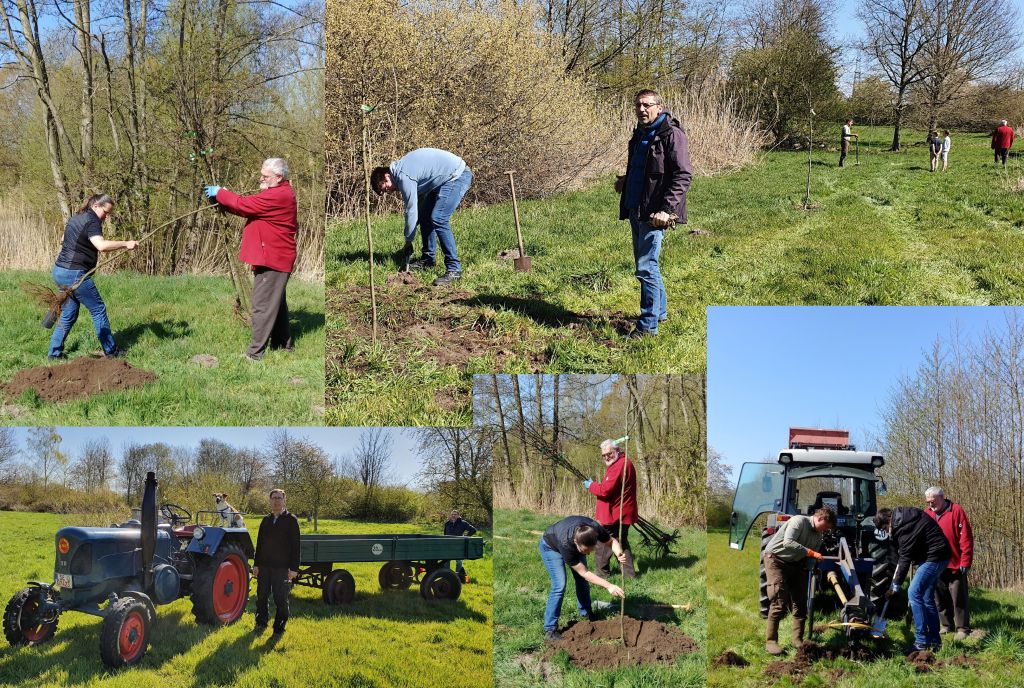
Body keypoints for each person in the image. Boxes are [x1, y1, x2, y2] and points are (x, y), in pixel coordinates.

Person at [615, 89, 692, 339]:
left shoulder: (671, 134)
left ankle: (647, 327)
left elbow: (682, 175)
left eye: (647, 105)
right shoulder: (640, 133)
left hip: (655, 212)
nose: (641, 109)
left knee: (646, 267)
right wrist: (626, 182)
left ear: (659, 107)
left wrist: (667, 209)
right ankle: (659, 312)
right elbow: (645, 169)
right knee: (648, 266)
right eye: (638, 105)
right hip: (636, 207)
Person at [205, 157, 297, 361]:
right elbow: (244, 208)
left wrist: (221, 193)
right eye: (261, 174)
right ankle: (283, 345)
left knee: (262, 305)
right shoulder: (276, 192)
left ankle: (255, 354)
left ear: (279, 177)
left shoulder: (278, 196)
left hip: (274, 259)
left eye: (266, 176)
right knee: (276, 302)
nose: (261, 178)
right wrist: (222, 198)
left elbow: (244, 204)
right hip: (275, 257)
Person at [48, 194, 138, 360]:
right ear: (96, 206)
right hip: (75, 274)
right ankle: (111, 352)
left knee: (69, 313)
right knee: (98, 309)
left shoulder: (77, 218)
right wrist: (126, 243)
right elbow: (101, 246)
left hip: (59, 271)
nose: (106, 217)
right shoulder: (92, 221)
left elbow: (63, 240)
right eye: (106, 212)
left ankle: (54, 354)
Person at [370, 148, 473, 287]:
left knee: (439, 218)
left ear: (387, 176)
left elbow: (411, 210)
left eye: (385, 187)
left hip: (457, 176)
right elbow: (417, 207)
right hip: (441, 181)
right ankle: (428, 260)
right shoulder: (402, 171)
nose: (387, 191)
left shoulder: (404, 176)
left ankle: (454, 269)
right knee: (425, 216)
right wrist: (415, 223)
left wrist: (408, 240)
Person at [874, 507, 952, 653]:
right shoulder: (903, 519)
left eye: (885, 528)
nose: (886, 532)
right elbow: (901, 554)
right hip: (938, 555)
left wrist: (896, 584)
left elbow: (905, 558)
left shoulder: (904, 528)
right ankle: (935, 641)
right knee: (927, 597)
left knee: (913, 592)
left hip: (935, 557)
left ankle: (921, 642)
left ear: (888, 521)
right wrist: (895, 579)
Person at [539, 515, 627, 641]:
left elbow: (611, 541)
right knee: (560, 585)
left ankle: (586, 613)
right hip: (551, 546)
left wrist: (618, 553)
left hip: (571, 541)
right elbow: (585, 573)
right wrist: (609, 585)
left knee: (582, 582)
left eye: (592, 549)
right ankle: (550, 629)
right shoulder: (567, 545)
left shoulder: (594, 529)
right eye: (586, 550)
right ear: (576, 542)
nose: (589, 553)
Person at [763, 507, 836, 655]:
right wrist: (811, 553)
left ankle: (797, 640)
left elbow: (810, 559)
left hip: (796, 564)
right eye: (826, 527)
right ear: (821, 519)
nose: (825, 531)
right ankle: (771, 642)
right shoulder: (798, 521)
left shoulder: (818, 537)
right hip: (776, 560)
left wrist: (811, 568)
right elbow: (788, 542)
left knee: (800, 604)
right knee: (779, 602)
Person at [924, 487, 974, 641]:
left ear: (941, 498)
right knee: (939, 597)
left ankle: (962, 628)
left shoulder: (956, 511)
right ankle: (946, 625)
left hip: (955, 563)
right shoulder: (927, 513)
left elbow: (966, 537)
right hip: (935, 562)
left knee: (958, 597)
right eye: (928, 502)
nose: (931, 505)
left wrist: (965, 560)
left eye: (933, 501)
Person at [584, 439, 638, 579]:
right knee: (621, 543)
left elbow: (606, 490)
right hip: (621, 512)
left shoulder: (619, 465)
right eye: (604, 455)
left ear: (617, 450)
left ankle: (602, 575)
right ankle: (629, 575)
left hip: (615, 514)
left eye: (609, 453)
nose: (607, 457)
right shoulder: (623, 463)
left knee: (603, 543)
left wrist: (591, 486)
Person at [253, 488, 300, 636]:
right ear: (270, 500)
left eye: (279, 498)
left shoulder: (291, 520)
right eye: (274, 498)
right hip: (265, 567)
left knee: (281, 599)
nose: (276, 501)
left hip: (282, 568)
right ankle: (261, 623)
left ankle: (279, 628)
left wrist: (294, 569)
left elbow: (296, 546)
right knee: (261, 597)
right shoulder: (265, 520)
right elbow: (259, 544)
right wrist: (256, 565)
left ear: (284, 500)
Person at [443, 509, 477, 578]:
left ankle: (458, 576)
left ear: (458, 516)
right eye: (452, 514)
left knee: (458, 561)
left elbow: (473, 530)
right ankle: (447, 575)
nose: (453, 516)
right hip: (448, 545)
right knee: (446, 560)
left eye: (455, 514)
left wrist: (466, 537)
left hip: (458, 545)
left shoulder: (463, 523)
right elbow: (445, 534)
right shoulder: (447, 523)